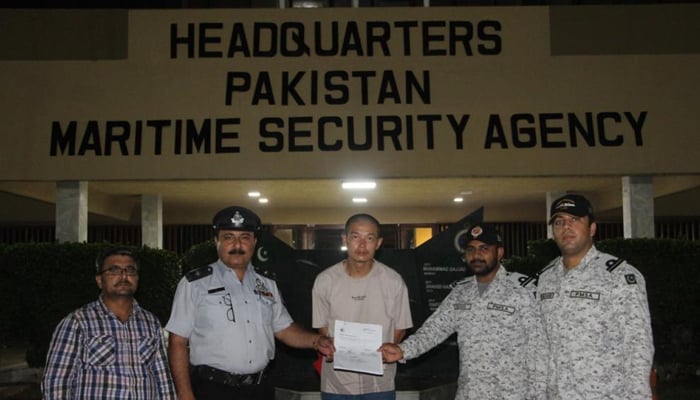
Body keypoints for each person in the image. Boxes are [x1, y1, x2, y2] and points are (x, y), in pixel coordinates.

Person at [165, 205, 334, 400]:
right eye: (228, 237)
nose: (237, 245)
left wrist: (316, 341)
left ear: (254, 242)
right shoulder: (195, 283)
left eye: (244, 237)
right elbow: (177, 342)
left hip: (260, 389)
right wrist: (184, 392)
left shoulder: (267, 283)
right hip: (212, 389)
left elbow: (284, 329)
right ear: (216, 241)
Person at [380, 223, 547, 400]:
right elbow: (434, 330)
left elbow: (539, 350)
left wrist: (538, 395)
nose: (476, 255)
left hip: (512, 395)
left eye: (484, 248)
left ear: (499, 253)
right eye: (471, 249)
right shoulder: (461, 293)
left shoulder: (522, 291)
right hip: (470, 393)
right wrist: (403, 350)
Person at [537, 194, 654, 399]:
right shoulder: (546, 278)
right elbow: (542, 345)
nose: (566, 227)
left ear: (592, 228)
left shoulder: (619, 276)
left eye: (574, 220)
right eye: (559, 222)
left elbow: (638, 346)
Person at [41, 247, 176, 400]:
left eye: (130, 270)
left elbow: (163, 379)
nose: (124, 276)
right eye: (114, 270)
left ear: (137, 278)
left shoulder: (150, 322)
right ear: (99, 280)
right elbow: (57, 382)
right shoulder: (78, 322)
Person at [312, 213, 413, 400]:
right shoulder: (325, 280)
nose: (362, 245)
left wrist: (380, 355)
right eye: (355, 236)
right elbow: (323, 328)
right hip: (336, 382)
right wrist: (330, 346)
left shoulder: (393, 281)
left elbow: (400, 328)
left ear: (379, 243)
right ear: (345, 239)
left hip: (380, 382)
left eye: (370, 238)